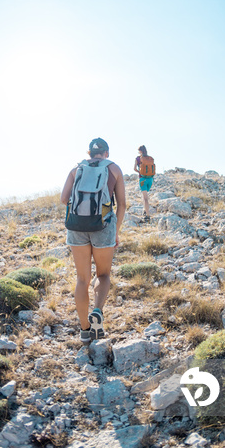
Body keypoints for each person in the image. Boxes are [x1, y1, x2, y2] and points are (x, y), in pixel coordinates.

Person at [61, 137, 126, 345]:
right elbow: (122, 205)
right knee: (103, 274)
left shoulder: (76, 169)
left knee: (82, 279)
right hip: (104, 226)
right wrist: (115, 230)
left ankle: (84, 330)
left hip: (77, 227)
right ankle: (97, 311)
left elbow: (64, 199)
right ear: (106, 152)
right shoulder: (114, 169)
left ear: (89, 153)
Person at [134, 145, 155, 222]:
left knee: (145, 198)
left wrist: (140, 172)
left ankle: (148, 216)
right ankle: (144, 210)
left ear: (140, 151)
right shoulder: (150, 158)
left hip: (142, 179)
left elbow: (134, 168)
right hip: (150, 179)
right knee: (145, 195)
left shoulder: (138, 158)